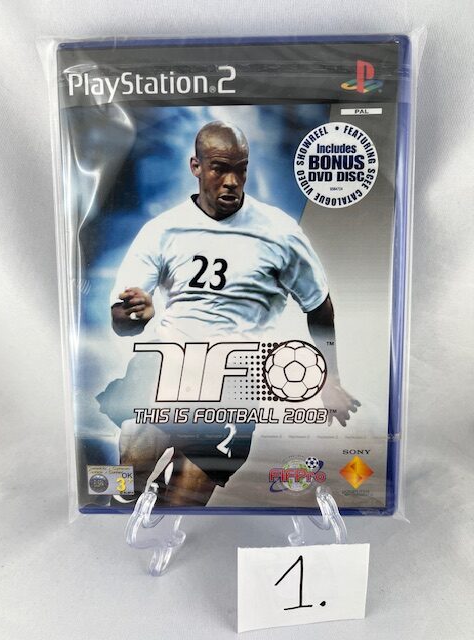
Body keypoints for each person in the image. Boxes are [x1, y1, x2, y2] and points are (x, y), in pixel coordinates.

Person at [99, 121, 359, 507]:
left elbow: (320, 307)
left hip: (235, 383)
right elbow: (121, 322)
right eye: (220, 168)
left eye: (241, 169)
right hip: (167, 368)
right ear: (196, 167)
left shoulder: (280, 233)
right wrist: (138, 315)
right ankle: (108, 515)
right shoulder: (162, 231)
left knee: (184, 502)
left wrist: (330, 379)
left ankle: (163, 525)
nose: (232, 181)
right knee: (127, 476)